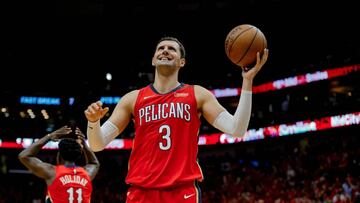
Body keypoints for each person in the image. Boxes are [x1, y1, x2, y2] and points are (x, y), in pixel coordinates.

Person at [84, 36, 268, 203]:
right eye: (160, 48)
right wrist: (93, 122)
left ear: (182, 62)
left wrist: (247, 81)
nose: (165, 50)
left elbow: (237, 129)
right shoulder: (132, 99)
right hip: (141, 192)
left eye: (171, 49)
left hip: (182, 191)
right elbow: (97, 144)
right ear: (153, 60)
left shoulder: (198, 94)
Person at [18, 125, 100, 203]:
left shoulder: (52, 172)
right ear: (79, 155)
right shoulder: (87, 173)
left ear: (59, 155)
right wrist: (84, 144)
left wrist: (49, 136)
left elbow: (24, 156)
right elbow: (94, 163)